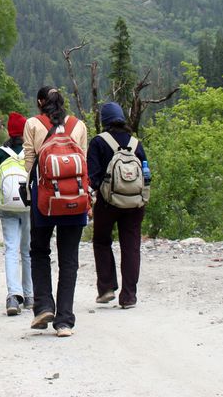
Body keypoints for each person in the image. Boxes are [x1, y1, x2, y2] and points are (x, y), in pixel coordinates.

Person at [22, 86, 89, 337]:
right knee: (69, 259)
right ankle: (64, 322)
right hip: (75, 198)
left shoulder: (33, 124)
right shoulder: (78, 126)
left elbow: (29, 163)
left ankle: (43, 306)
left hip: (45, 199)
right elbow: (83, 161)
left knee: (39, 251)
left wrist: (29, 196)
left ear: (40, 102)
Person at [88, 102, 149, 309]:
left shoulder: (98, 142)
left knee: (102, 241)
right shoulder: (135, 143)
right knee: (131, 247)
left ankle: (106, 288)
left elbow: (93, 177)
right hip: (135, 204)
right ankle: (129, 296)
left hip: (108, 203)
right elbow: (146, 175)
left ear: (104, 121)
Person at [0, 112, 33, 316]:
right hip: (28, 207)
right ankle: (30, 295)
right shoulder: (31, 151)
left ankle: (13, 297)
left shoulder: (0, 153)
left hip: (7, 208)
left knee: (10, 250)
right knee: (27, 251)